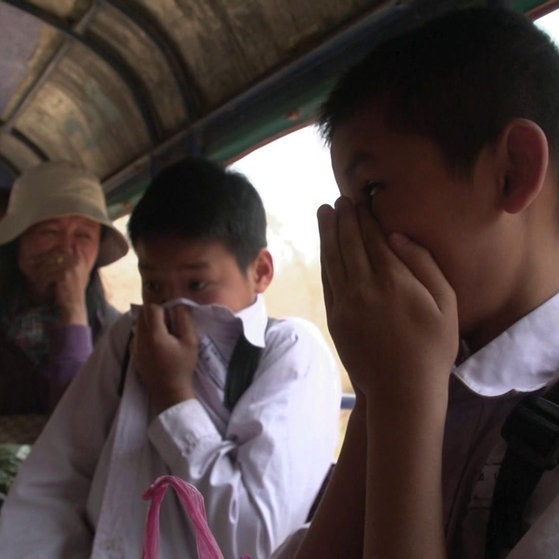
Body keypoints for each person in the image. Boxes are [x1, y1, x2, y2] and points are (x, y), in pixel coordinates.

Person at [270, 6, 559, 559]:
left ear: (512, 171)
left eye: (373, 192)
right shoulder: (425, 370)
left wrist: (402, 401)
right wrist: (383, 394)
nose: (352, 235)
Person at [0, 157, 342, 558]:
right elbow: (57, 480)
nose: (173, 305)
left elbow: (254, 541)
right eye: (153, 284)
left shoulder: (290, 353)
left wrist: (173, 395)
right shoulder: (128, 338)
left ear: (261, 272)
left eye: (197, 284)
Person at [0, 161, 129, 415]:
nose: (66, 250)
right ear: (19, 242)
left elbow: (79, 423)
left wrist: (73, 312)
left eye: (83, 236)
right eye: (49, 232)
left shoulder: (117, 334)